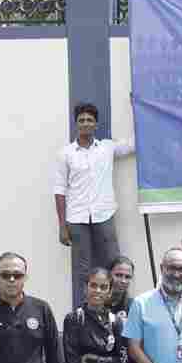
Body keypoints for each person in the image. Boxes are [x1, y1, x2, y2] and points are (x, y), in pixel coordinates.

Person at [53, 102, 135, 307]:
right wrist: (62, 226)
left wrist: (136, 107)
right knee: (83, 270)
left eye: (89, 120)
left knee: (114, 265)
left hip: (104, 214)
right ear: (76, 124)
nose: (85, 123)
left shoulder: (107, 147)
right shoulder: (66, 154)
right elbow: (60, 189)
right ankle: (86, 312)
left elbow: (133, 144)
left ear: (96, 124)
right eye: (81, 120)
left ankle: (117, 310)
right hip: (77, 218)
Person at [63, 268, 133, 363]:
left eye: (103, 287)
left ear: (110, 291)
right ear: (85, 287)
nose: (98, 291)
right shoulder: (74, 319)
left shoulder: (116, 322)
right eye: (93, 285)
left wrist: (93, 359)